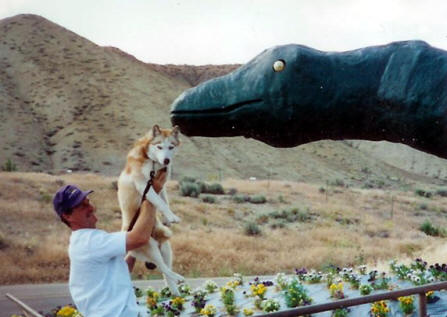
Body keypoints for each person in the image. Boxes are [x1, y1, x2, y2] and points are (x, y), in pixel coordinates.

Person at [52, 170, 167, 317]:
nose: (91, 208)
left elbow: (119, 270)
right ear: (67, 216)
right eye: (82, 206)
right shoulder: (89, 241)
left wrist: (134, 252)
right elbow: (139, 238)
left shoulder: (85, 241)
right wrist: (152, 197)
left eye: (88, 202)